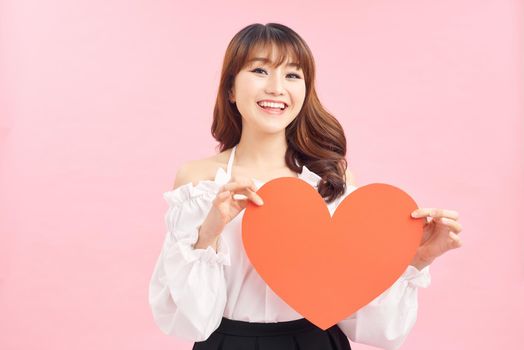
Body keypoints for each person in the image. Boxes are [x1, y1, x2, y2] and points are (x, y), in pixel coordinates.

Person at [148, 23, 463, 350]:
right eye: (259, 70)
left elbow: (368, 322)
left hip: (315, 341)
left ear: (305, 90)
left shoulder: (330, 180)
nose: (276, 87)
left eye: (292, 75)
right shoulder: (198, 182)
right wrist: (209, 231)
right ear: (230, 88)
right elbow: (192, 319)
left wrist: (417, 260)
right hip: (227, 343)